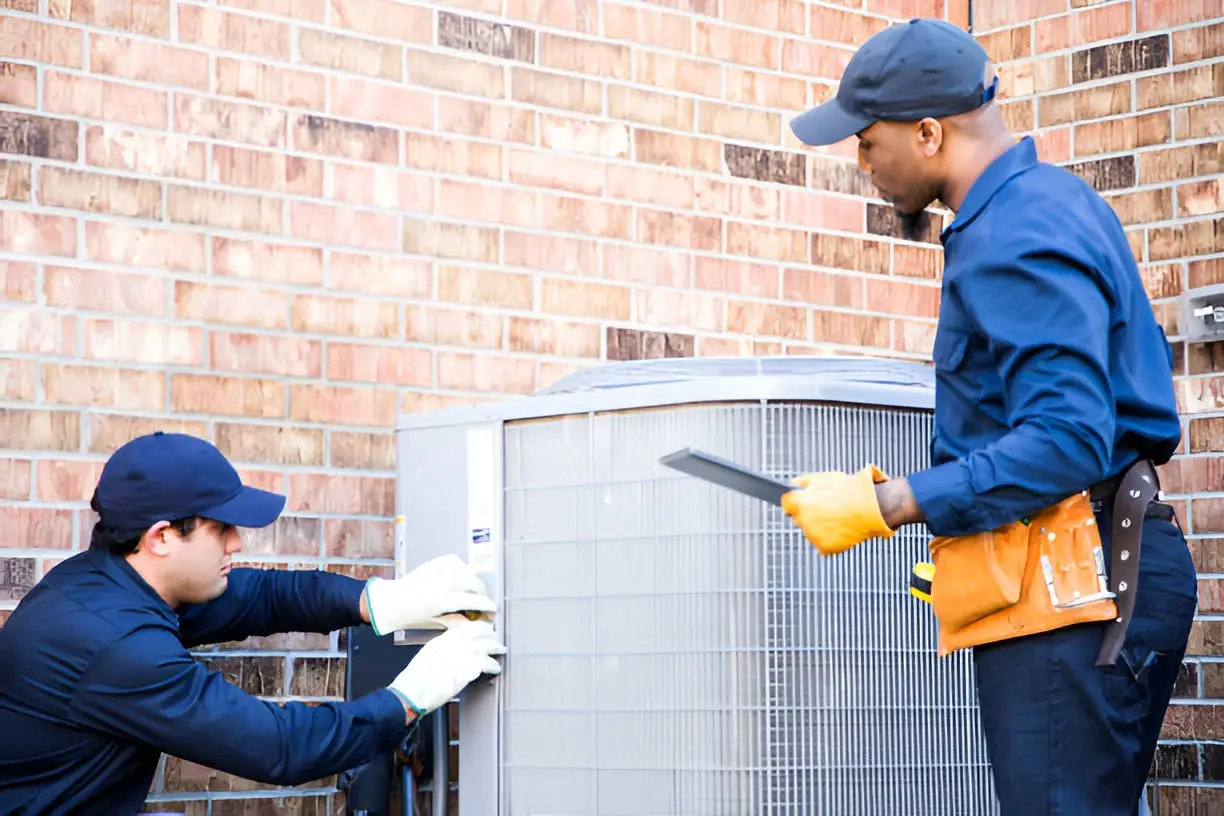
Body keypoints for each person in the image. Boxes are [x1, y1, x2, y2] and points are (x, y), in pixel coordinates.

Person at [780, 17, 1197, 816]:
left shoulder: (1013, 231)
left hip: (1075, 582)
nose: (862, 163)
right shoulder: (1051, 204)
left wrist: (890, 503)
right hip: (1079, 565)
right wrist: (965, 536)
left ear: (929, 131)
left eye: (868, 142)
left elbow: (1067, 438)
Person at [0, 431, 506, 815]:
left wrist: (379, 601)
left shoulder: (109, 581)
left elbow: (260, 596)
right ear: (161, 538)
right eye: (221, 528)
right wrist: (410, 698)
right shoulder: (114, 644)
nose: (236, 543)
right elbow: (278, 746)